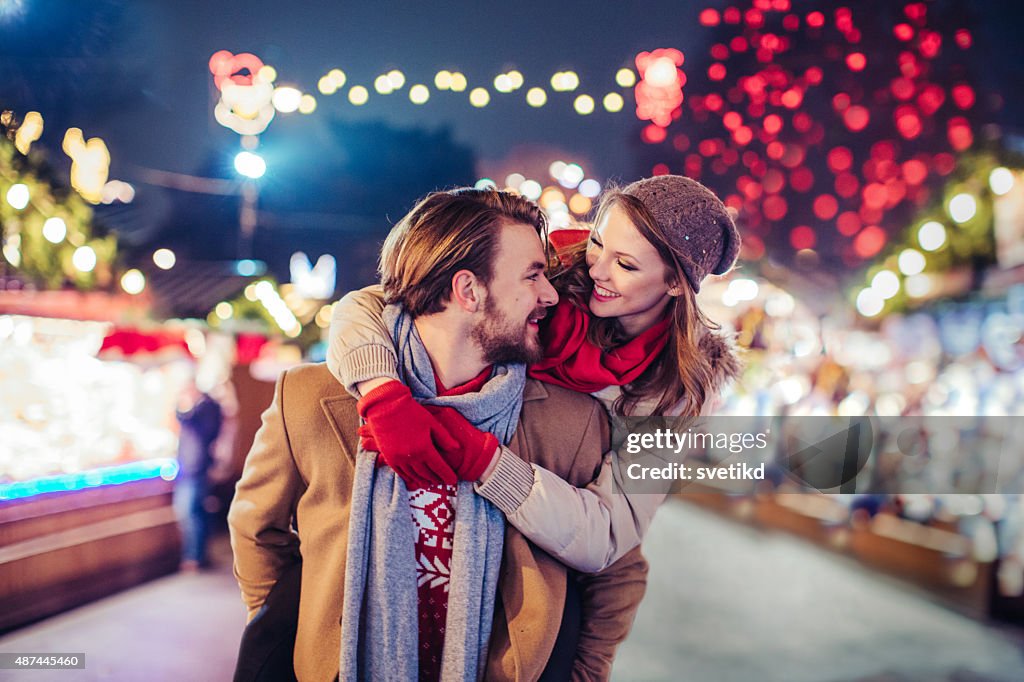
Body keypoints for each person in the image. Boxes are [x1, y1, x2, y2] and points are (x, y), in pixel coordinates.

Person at [228, 188, 647, 682]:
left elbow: (615, 569)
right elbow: (257, 531)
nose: (549, 295)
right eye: (533, 275)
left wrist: (584, 674)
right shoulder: (309, 398)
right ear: (468, 290)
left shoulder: (569, 422)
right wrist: (303, 635)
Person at [328, 175, 742, 573]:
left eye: (627, 265)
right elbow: (376, 304)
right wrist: (383, 396)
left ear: (674, 284)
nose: (597, 270)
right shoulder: (553, 275)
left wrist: (485, 460)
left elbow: (612, 534)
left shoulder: (676, 389)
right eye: (598, 242)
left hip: (528, 549)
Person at [174, 375, 223, 571]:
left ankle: (195, 556)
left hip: (197, 468)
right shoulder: (203, 408)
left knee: (190, 512)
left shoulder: (207, 408)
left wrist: (181, 408)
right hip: (190, 467)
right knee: (195, 512)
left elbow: (198, 430)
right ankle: (197, 555)